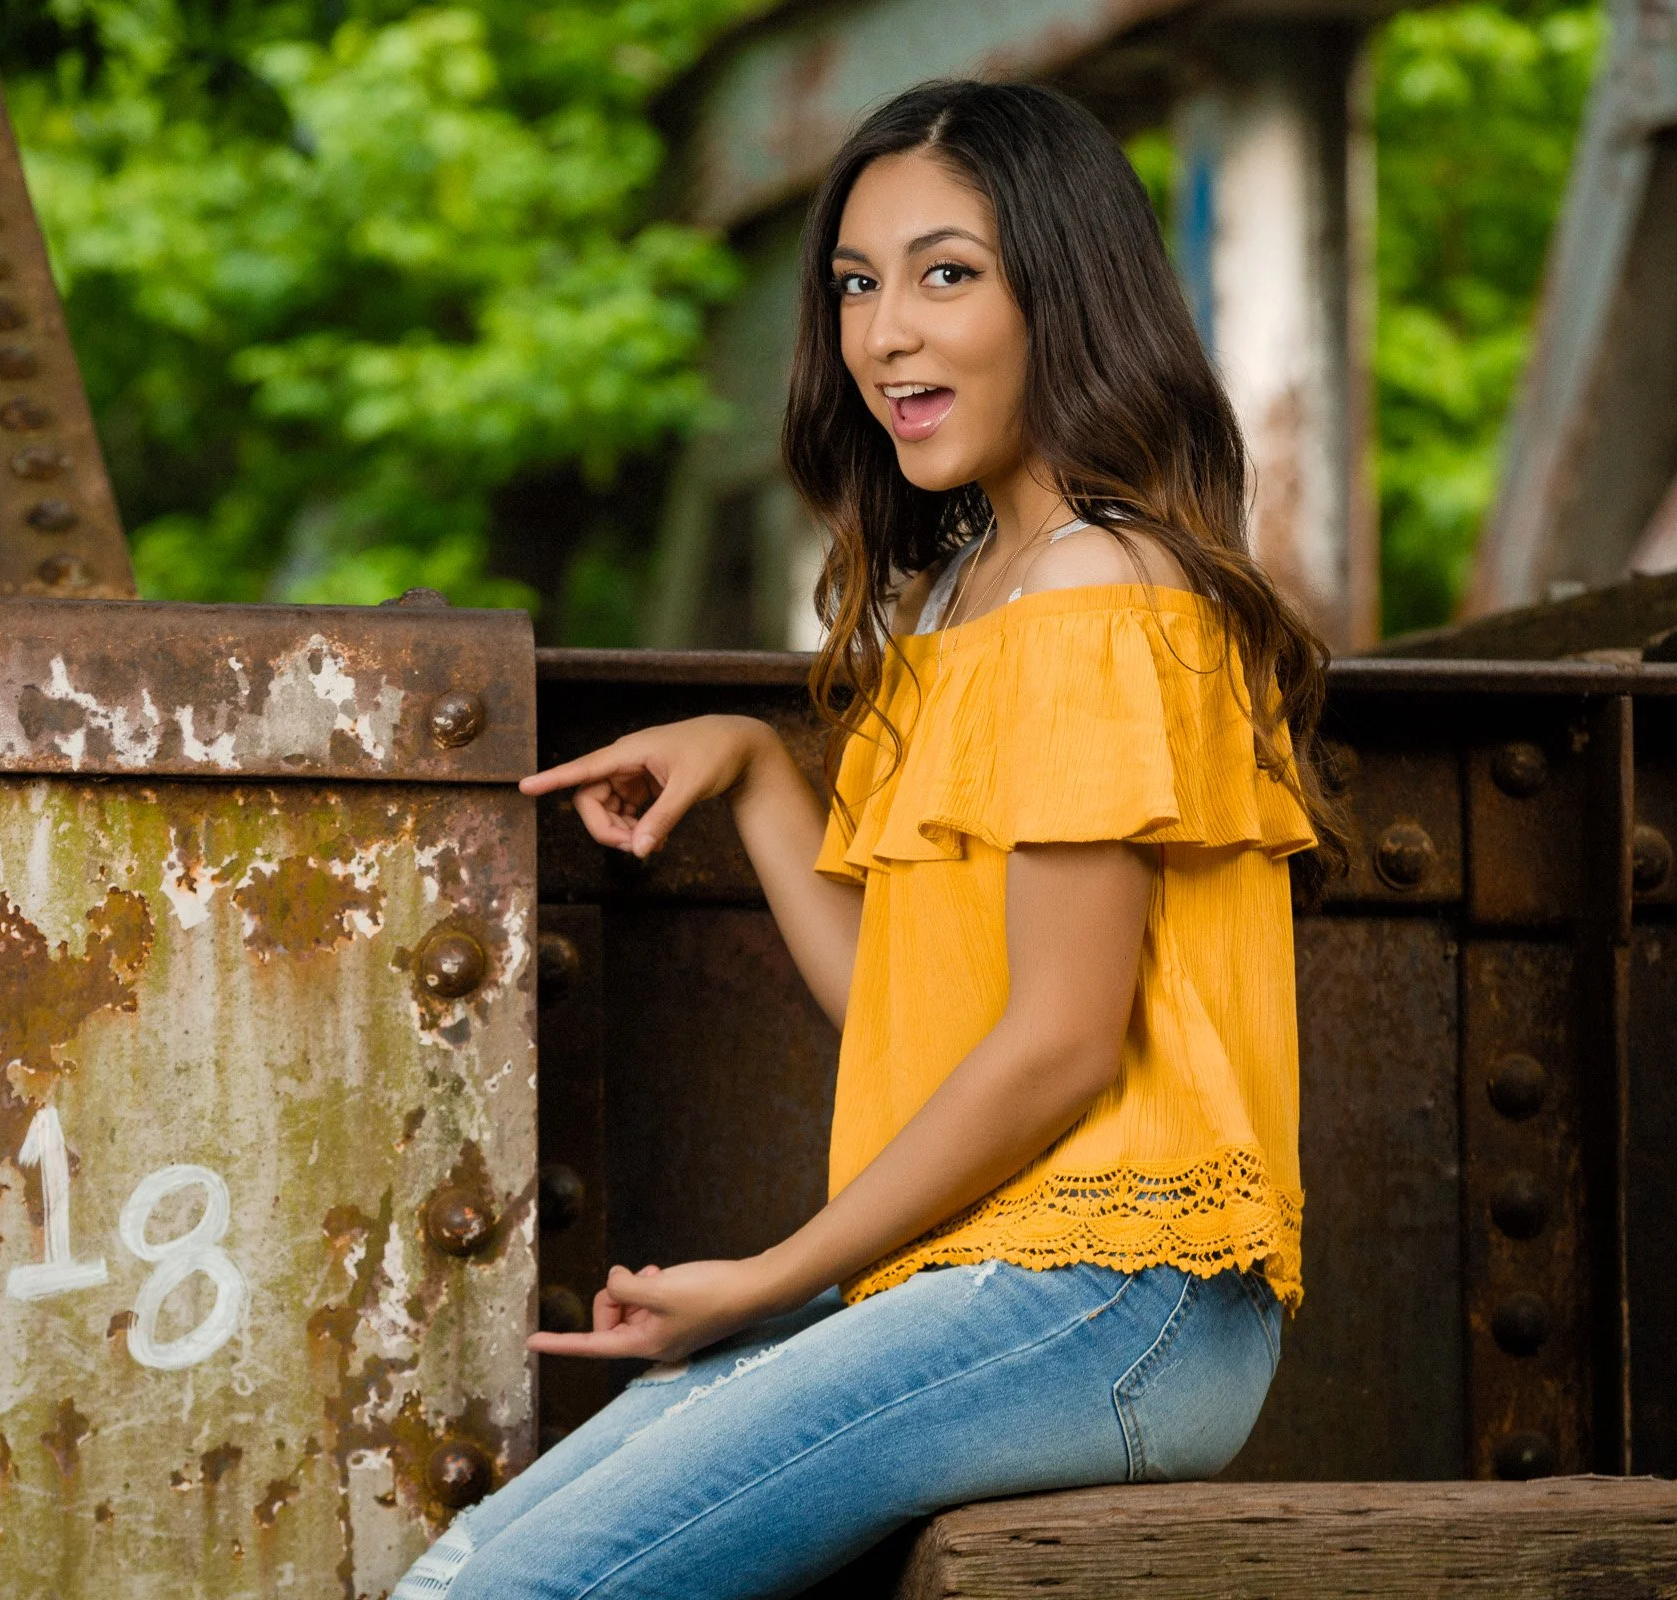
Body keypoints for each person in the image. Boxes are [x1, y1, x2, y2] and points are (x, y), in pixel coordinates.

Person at [393, 78, 1340, 1599]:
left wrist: (775, 1278)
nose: (885, 332)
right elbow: (923, 1019)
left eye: (945, 274)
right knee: (465, 1575)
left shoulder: (1098, 589)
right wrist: (765, 776)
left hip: (1121, 1290)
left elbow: (1059, 1047)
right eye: (854, 284)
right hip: (1019, 1283)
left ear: (1064, 295)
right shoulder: (970, 596)